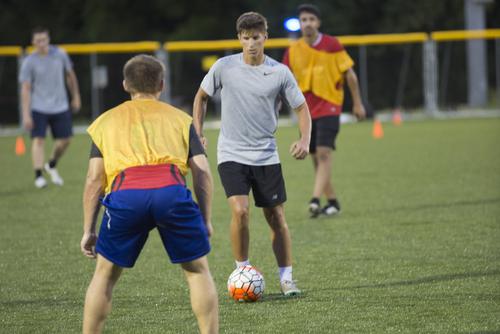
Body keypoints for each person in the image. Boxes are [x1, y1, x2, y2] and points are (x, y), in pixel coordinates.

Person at [80, 55, 218, 334]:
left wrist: (88, 229)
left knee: (104, 276)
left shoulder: (105, 121)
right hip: (171, 192)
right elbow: (201, 171)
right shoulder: (181, 119)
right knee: (197, 271)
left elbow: (95, 179)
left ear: (124, 84)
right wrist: (205, 219)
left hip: (126, 195)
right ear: (162, 85)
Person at [193, 12, 311, 296]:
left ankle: (286, 279)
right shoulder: (224, 67)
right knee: (240, 211)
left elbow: (302, 109)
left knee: (275, 216)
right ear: (239, 39)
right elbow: (201, 97)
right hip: (231, 152)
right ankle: (242, 270)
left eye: (256, 38)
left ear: (265, 37)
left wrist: (304, 139)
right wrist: (197, 133)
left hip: (266, 155)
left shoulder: (280, 72)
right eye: (245, 39)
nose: (251, 44)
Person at [283, 4, 366, 218]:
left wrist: (357, 103)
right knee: (315, 158)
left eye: (312, 19)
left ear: (318, 23)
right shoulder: (293, 51)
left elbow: (350, 75)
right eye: (304, 20)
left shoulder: (332, 44)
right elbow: (283, 80)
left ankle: (314, 199)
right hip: (306, 112)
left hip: (330, 106)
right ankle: (333, 202)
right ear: (300, 24)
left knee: (323, 153)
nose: (308, 23)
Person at [19, 26, 81, 188]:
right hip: (38, 107)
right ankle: (39, 175)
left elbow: (70, 76)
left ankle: (51, 164)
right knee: (38, 140)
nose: (41, 43)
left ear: (49, 39)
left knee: (66, 140)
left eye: (44, 39)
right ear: (33, 42)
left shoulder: (60, 54)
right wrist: (26, 114)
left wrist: (75, 96)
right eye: (38, 40)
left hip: (60, 105)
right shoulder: (29, 61)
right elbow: (25, 88)